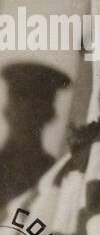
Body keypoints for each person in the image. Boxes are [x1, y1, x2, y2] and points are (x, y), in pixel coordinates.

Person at [0, 62, 69, 203]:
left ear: (49, 113)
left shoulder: (54, 173)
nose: (26, 110)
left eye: (35, 107)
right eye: (21, 98)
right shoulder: (54, 172)